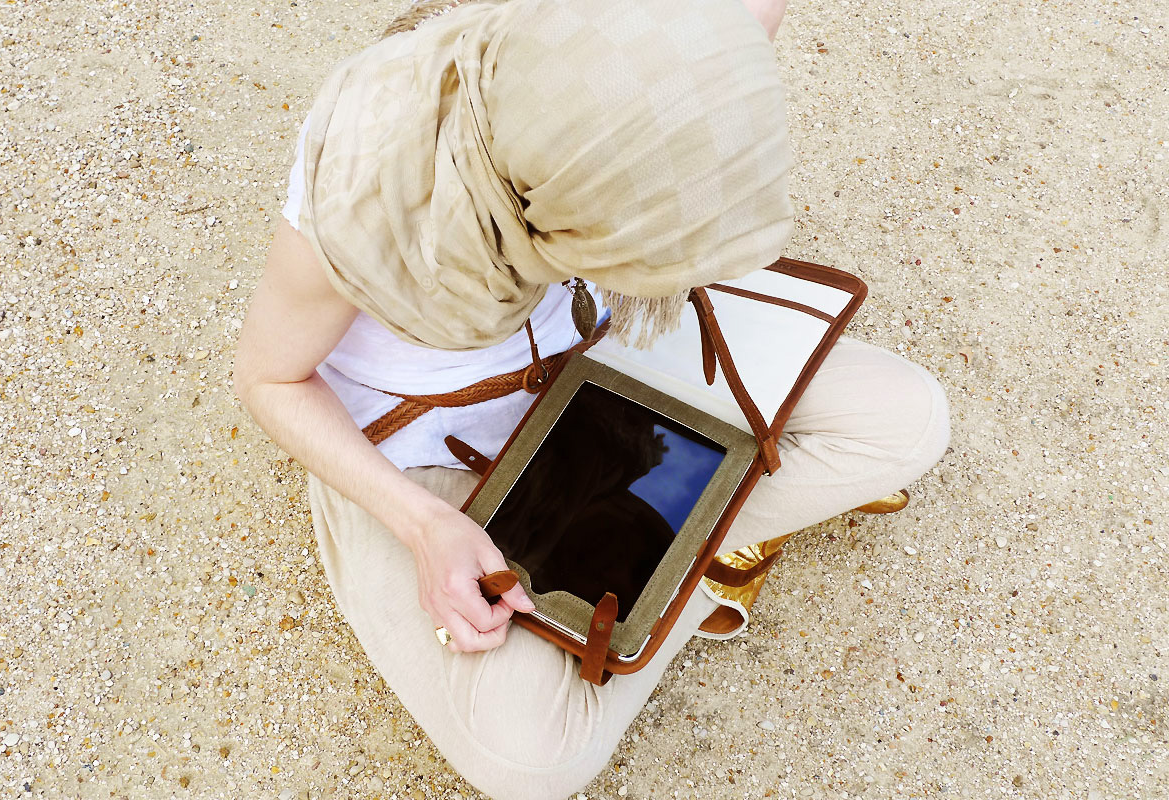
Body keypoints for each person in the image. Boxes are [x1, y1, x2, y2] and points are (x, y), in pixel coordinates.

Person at [233, 0, 950, 797]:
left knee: (910, 418)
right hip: (429, 448)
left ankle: (667, 568)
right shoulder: (358, 186)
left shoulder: (599, 32)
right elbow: (268, 379)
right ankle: (700, 563)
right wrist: (425, 527)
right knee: (531, 762)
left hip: (607, 354)